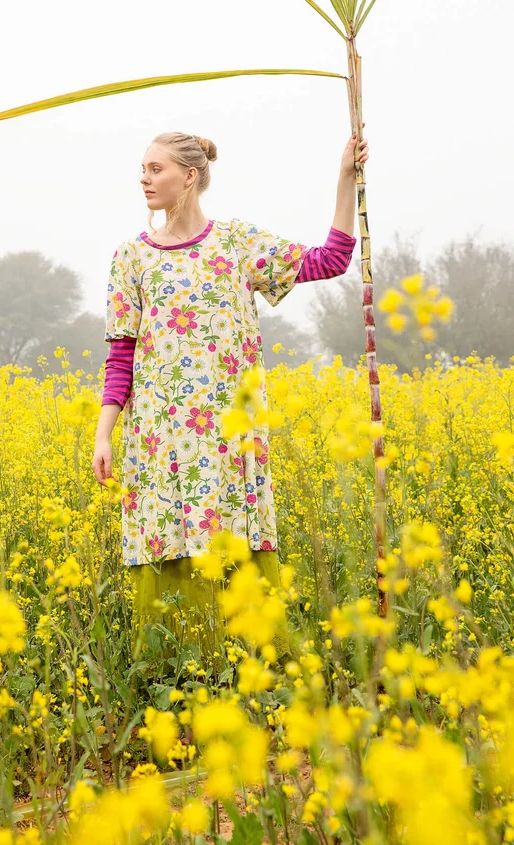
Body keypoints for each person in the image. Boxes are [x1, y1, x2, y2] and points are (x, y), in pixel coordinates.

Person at [92, 130, 369, 661]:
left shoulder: (236, 244)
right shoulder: (132, 258)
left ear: (189, 176)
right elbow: (121, 357)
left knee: (234, 536)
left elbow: (329, 260)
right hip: (160, 438)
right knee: (169, 538)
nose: (144, 179)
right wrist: (105, 432)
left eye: (156, 169)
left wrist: (344, 178)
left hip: (230, 437)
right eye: (142, 169)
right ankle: (177, 674)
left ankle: (253, 669)